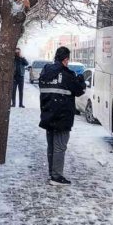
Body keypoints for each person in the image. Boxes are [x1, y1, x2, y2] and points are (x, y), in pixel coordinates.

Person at [38, 46, 86, 186]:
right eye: (68, 60)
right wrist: (81, 81)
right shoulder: (67, 74)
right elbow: (79, 91)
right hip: (62, 116)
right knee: (59, 147)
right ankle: (56, 177)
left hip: (47, 114)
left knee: (51, 146)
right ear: (65, 59)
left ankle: (52, 172)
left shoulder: (45, 71)